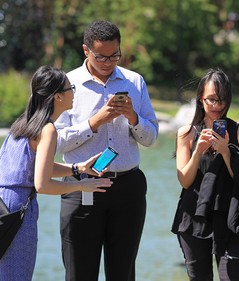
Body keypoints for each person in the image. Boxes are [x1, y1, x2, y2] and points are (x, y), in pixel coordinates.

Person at [55, 20, 158, 281]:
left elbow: (152, 138)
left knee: (123, 273)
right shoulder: (67, 84)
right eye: (101, 56)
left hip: (128, 189)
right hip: (81, 186)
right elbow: (54, 143)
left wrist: (134, 118)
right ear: (86, 50)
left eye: (115, 55)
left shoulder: (134, 81)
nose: (108, 62)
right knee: (80, 273)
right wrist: (94, 122)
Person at [0, 65, 113, 281]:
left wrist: (77, 168)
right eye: (70, 88)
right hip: (17, 210)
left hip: (3, 205)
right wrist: (81, 185)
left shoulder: (23, 123)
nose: (73, 92)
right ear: (58, 96)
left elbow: (35, 168)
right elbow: (42, 184)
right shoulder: (47, 129)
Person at [172, 68, 239, 281]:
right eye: (211, 99)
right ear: (200, 99)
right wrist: (198, 151)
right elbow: (184, 180)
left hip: (231, 217)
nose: (216, 106)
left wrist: (226, 150)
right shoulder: (187, 133)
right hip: (194, 215)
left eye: (222, 100)